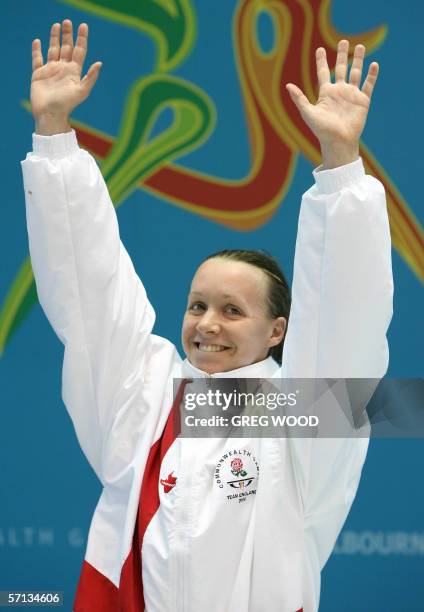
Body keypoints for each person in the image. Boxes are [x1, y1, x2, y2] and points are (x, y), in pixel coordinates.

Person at [22, 19, 393, 612]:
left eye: (232, 310)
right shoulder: (145, 394)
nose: (207, 324)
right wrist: (55, 136)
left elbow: (345, 326)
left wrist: (343, 165)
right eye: (197, 306)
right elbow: (88, 291)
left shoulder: (303, 413)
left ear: (278, 331)